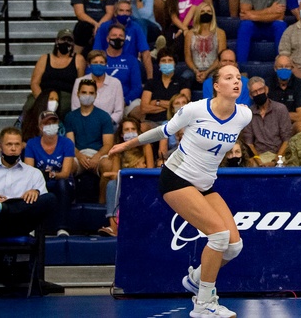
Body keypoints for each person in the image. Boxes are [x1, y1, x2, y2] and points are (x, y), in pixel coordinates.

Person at [108, 64, 252, 318]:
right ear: (216, 86)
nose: (236, 82)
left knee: (233, 246)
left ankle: (197, 278)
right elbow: (163, 131)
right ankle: (204, 304)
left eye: (238, 78)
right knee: (218, 237)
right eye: (229, 78)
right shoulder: (194, 109)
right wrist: (126, 144)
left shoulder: (244, 115)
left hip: (206, 184)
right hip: (176, 178)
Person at [0, 127, 58, 302]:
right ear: (0, 147)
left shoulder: (34, 174)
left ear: (22, 146)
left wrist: (35, 193)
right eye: (9, 144)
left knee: (49, 198)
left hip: (17, 223)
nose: (13, 148)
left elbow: (43, 207)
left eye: (16, 144)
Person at [98, 116, 154, 234]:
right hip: (125, 183)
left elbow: (150, 172)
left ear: (138, 132)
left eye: (133, 129)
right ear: (122, 134)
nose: (130, 132)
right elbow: (115, 175)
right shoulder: (118, 149)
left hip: (141, 181)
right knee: (112, 185)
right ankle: (113, 227)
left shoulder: (145, 146)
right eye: (126, 130)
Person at [23, 110, 75, 236]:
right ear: (40, 126)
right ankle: (32, 227)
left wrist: (53, 174)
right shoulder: (32, 144)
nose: (51, 126)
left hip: (61, 181)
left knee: (62, 184)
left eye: (53, 122)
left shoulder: (66, 143)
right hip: (41, 180)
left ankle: (62, 228)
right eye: (47, 123)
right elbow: (29, 171)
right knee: (31, 185)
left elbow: (66, 172)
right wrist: (43, 176)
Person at [28, 29, 86, 123]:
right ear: (57, 41)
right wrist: (43, 99)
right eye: (63, 39)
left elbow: (80, 84)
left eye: (69, 40)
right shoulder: (44, 58)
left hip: (66, 95)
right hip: (44, 93)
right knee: (30, 105)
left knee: (63, 108)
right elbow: (35, 83)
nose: (66, 42)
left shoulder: (79, 59)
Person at [236, 0, 288, 64]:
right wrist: (269, 10)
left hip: (271, 27)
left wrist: (253, 16)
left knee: (281, 25)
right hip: (255, 27)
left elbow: (280, 16)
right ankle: (241, 67)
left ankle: (282, 65)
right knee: (245, 25)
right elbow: (244, 14)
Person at [65, 79, 115, 176]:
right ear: (78, 93)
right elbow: (70, 144)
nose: (87, 95)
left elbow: (108, 144)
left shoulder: (104, 116)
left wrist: (97, 156)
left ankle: (104, 192)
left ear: (95, 95)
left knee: (108, 165)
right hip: (79, 155)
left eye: (91, 93)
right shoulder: (70, 117)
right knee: (68, 165)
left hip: (98, 154)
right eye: (84, 92)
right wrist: (79, 156)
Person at [93, 0, 153, 81]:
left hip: (129, 63)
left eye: (127, 11)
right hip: (107, 62)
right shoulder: (104, 27)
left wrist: (150, 79)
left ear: (131, 13)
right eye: (121, 10)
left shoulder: (136, 27)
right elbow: (96, 51)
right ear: (115, 13)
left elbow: (145, 52)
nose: (124, 13)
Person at [240, 77, 291, 166]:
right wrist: (259, 162)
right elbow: (249, 143)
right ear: (251, 96)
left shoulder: (280, 109)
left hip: (279, 155)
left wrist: (275, 161)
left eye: (260, 90)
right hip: (258, 156)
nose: (258, 93)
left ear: (266, 89)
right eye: (254, 92)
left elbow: (287, 140)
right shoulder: (248, 113)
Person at [140, 49, 191, 132]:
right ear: (159, 64)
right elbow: (144, 108)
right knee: (142, 127)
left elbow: (183, 106)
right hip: (153, 122)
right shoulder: (151, 83)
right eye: (163, 60)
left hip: (175, 122)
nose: (167, 63)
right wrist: (172, 106)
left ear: (174, 63)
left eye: (170, 60)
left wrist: (158, 102)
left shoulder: (183, 82)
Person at [76, 50, 125, 125]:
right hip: (84, 124)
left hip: (109, 125)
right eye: (95, 63)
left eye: (101, 63)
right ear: (89, 64)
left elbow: (119, 111)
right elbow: (75, 107)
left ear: (106, 64)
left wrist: (105, 123)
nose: (98, 65)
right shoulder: (79, 82)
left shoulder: (115, 83)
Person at [185, 2, 227, 87]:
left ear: (213, 14)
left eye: (209, 11)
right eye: (202, 11)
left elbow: (221, 58)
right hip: (194, 70)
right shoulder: (189, 34)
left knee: (214, 80)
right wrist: (196, 71)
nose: (206, 13)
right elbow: (188, 57)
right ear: (198, 14)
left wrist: (207, 72)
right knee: (185, 77)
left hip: (213, 69)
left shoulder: (220, 33)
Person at [269, 54, 301, 132]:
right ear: (275, 69)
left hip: (292, 125)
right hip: (272, 125)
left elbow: (300, 116)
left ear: (292, 68)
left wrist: (278, 114)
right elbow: (266, 114)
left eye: (287, 66)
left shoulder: (299, 84)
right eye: (280, 66)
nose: (284, 69)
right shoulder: (268, 84)